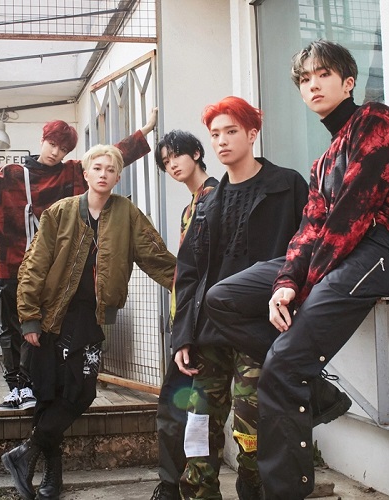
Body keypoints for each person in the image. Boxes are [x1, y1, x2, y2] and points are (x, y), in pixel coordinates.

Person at [205, 40, 389, 500]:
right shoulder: (323, 161)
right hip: (341, 250)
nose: (313, 85)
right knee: (222, 298)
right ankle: (319, 392)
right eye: (305, 79)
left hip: (382, 247)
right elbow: (310, 228)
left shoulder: (376, 120)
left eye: (323, 74)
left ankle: (286, 491)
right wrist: (286, 282)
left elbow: (354, 210)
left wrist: (302, 285)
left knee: (283, 366)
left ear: (348, 82)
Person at [1, 143, 176, 500]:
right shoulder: (61, 212)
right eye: (97, 168)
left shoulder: (127, 213)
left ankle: (25, 453)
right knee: (48, 393)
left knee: (81, 391)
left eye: (110, 169)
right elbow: (33, 266)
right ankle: (51, 476)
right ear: (85, 173)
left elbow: (154, 255)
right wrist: (29, 318)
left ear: (118, 176)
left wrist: (189, 283)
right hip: (51, 314)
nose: (103, 174)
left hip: (90, 317)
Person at [0, 107, 157, 410]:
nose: (55, 152)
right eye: (52, 144)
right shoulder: (11, 175)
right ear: (43, 140)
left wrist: (144, 131)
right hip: (10, 267)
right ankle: (17, 387)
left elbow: (111, 158)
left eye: (63, 148)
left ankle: (36, 385)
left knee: (46, 331)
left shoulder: (72, 173)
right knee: (11, 330)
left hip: (55, 273)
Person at [167, 96, 309, 500]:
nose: (222, 141)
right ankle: (199, 493)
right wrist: (182, 336)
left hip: (259, 330)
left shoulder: (287, 186)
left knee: (254, 429)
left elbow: (307, 250)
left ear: (252, 133)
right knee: (198, 427)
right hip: (208, 334)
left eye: (231, 131)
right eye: (215, 134)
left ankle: (254, 486)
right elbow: (188, 273)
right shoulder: (208, 201)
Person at [151, 130, 219, 500]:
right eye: (165, 162)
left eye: (176, 155)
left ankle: (183, 487)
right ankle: (171, 485)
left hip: (204, 327)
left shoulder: (215, 198)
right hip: (186, 326)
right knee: (174, 409)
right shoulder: (190, 207)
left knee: (193, 413)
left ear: (195, 152)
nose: (172, 165)